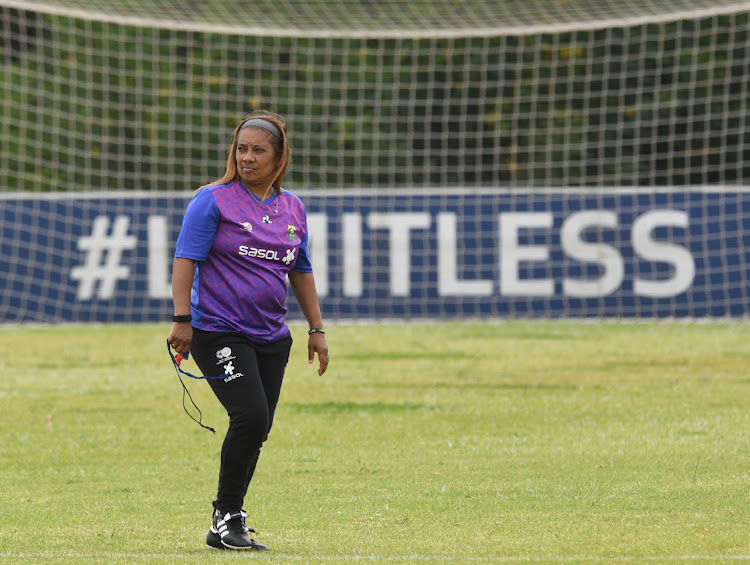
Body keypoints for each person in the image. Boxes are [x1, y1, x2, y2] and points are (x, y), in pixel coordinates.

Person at [167, 110, 329, 551]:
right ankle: (227, 515)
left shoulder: (293, 207)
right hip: (218, 330)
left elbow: (301, 269)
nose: (247, 158)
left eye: (259, 150)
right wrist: (182, 320)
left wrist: (316, 329)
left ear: (279, 159)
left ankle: (226, 520)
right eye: (242, 148)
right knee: (251, 416)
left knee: (258, 426)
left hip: (273, 337)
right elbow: (186, 260)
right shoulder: (213, 200)